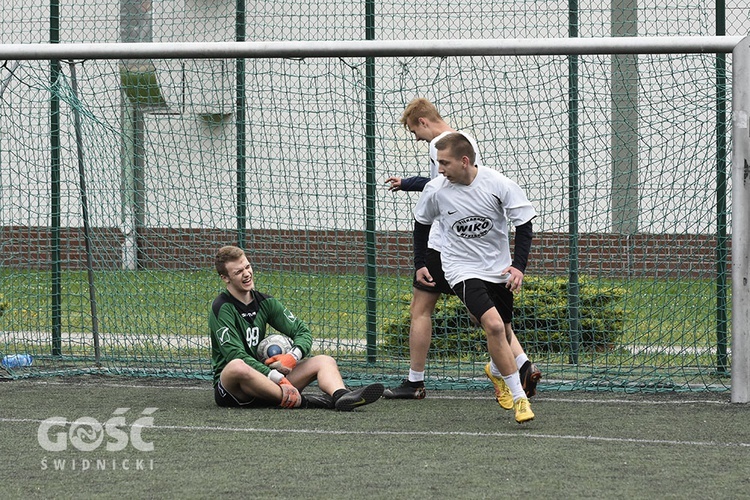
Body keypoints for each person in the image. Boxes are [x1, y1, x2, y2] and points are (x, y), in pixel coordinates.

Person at [383, 98, 541, 406]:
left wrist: (409, 184)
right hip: (471, 253)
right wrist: (409, 182)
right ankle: (520, 364)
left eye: (414, 130)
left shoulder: (440, 145)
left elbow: (438, 186)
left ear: (423, 122)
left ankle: (415, 381)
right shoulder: (464, 140)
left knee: (422, 309)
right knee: (489, 318)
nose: (416, 137)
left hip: (446, 247)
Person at [412, 132, 537, 423]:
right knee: (493, 325)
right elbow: (421, 224)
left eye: (444, 162)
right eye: (437, 163)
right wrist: (420, 263)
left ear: (464, 161)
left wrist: (518, 267)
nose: (439, 169)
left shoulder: (499, 184)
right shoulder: (436, 190)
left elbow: (524, 224)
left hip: (498, 269)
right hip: (460, 269)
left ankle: (495, 370)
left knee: (504, 330)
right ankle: (520, 399)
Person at [208, 245, 384, 410]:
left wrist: (292, 357)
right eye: (238, 272)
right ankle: (307, 401)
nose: (247, 274)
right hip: (236, 389)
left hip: (267, 380)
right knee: (237, 365)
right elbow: (235, 354)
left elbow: (302, 331)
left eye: (247, 267)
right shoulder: (222, 308)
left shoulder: (265, 302)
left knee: (324, 360)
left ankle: (342, 397)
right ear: (225, 278)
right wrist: (276, 377)